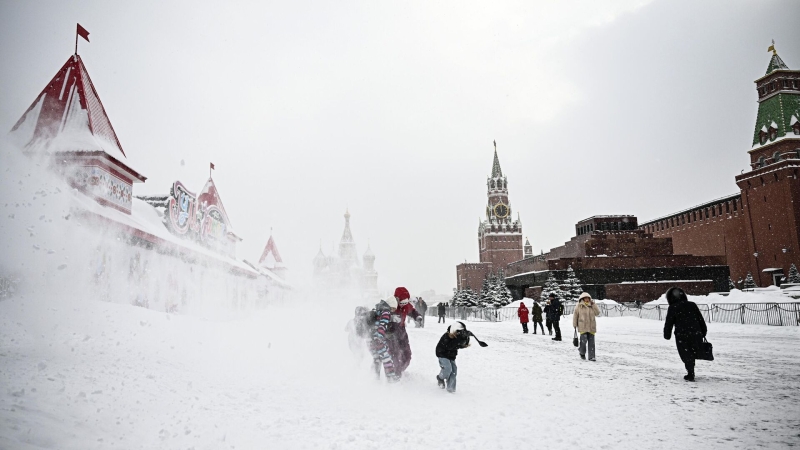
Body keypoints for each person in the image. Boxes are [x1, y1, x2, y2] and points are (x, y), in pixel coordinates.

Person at [663, 287, 708, 382]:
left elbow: (669, 323)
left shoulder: (673, 307)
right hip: (695, 332)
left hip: (681, 334)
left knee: (686, 353)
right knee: (691, 351)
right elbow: (700, 319)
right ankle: (691, 370)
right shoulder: (692, 305)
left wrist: (667, 334)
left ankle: (690, 372)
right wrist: (703, 332)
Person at [392, 287, 422, 375]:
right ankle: (395, 373)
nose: (404, 304)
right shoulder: (391, 305)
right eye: (402, 302)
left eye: (406, 302)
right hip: (391, 332)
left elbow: (412, 311)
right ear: (397, 299)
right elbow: (382, 315)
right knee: (395, 354)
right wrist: (391, 318)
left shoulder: (406, 306)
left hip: (401, 331)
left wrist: (417, 316)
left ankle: (400, 369)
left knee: (407, 354)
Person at [435, 321, 471, 393]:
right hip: (442, 354)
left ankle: (451, 389)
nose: (459, 334)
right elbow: (449, 346)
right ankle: (440, 377)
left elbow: (460, 345)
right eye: (458, 332)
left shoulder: (458, 337)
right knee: (448, 368)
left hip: (451, 355)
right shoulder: (447, 336)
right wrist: (459, 340)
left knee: (454, 370)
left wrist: (465, 339)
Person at [369, 297, 400, 382]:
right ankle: (390, 378)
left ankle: (374, 378)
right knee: (386, 358)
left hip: (370, 339)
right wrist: (379, 336)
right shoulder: (386, 311)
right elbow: (383, 324)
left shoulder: (379, 309)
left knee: (377, 359)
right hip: (377, 339)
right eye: (393, 307)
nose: (393, 310)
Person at [573, 292, 601, 361]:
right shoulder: (579, 306)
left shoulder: (592, 305)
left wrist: (594, 305)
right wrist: (574, 324)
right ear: (582, 298)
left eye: (588, 298)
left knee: (592, 343)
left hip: (591, 326)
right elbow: (575, 315)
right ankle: (582, 352)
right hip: (583, 326)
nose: (587, 299)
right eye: (585, 298)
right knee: (583, 341)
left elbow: (597, 313)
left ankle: (591, 356)